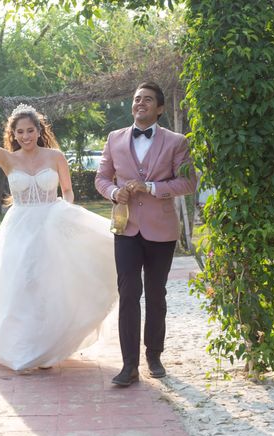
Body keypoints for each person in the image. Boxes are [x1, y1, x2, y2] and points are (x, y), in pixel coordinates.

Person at [0, 88, 118, 371]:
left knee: (50, 285)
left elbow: (68, 191)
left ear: (39, 130)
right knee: (22, 284)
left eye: (30, 130)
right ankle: (24, 348)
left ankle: (47, 348)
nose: (25, 136)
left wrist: (66, 213)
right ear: (13, 135)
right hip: (20, 230)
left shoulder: (55, 157)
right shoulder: (7, 159)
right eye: (20, 132)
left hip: (52, 224)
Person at [95, 81, 197, 386]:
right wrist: (114, 192)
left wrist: (152, 188)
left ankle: (154, 355)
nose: (140, 103)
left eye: (148, 100)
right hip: (126, 228)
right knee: (128, 294)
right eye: (137, 98)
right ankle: (129, 366)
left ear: (160, 109)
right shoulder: (114, 138)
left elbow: (189, 182)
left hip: (161, 229)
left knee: (156, 294)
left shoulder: (176, 141)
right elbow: (101, 178)